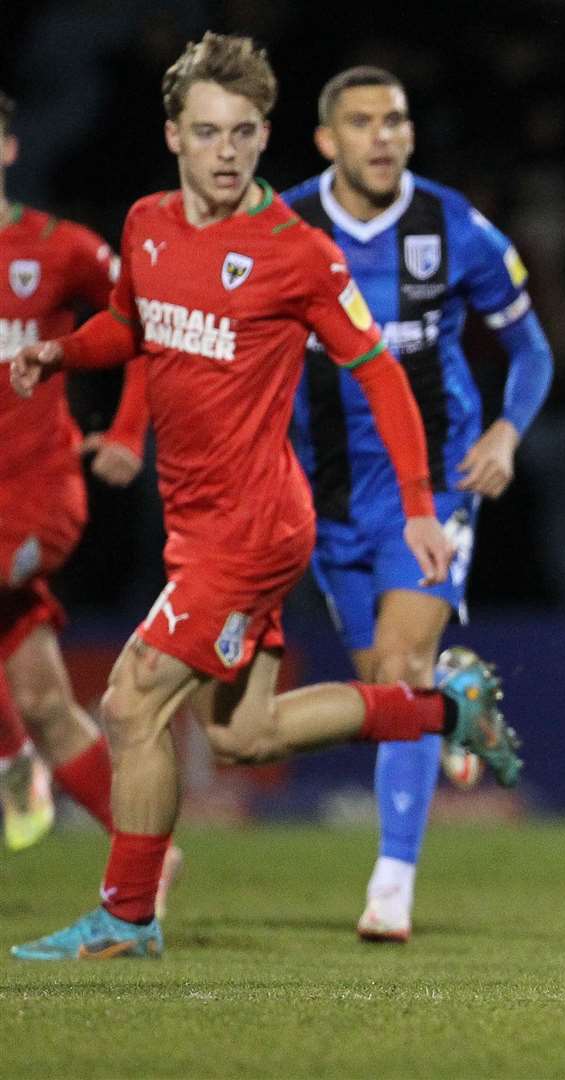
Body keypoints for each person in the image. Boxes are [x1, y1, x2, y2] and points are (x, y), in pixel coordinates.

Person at [6, 32, 521, 962]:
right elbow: (130, 325)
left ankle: (127, 914)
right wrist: (61, 353)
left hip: (255, 527)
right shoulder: (148, 226)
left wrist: (415, 502)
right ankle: (445, 710)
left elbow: (381, 376)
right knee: (244, 738)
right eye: (207, 133)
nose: (227, 151)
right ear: (174, 135)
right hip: (194, 523)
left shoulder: (298, 253)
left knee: (129, 704)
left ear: (264, 134)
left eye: (243, 132)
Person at [281, 66, 552, 943]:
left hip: (429, 488)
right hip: (323, 494)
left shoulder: (453, 225)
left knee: (398, 667)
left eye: (394, 118)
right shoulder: (283, 226)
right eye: (361, 122)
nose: (382, 135)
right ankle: (453, 700)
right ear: (328, 140)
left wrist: (506, 434)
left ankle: (391, 885)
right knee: (383, 694)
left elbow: (530, 350)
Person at [0, 88, 160, 879]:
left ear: (7, 150)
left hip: (40, 495)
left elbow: (144, 324)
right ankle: (149, 858)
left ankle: (5, 761)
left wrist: (129, 432)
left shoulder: (59, 249)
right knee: (43, 701)